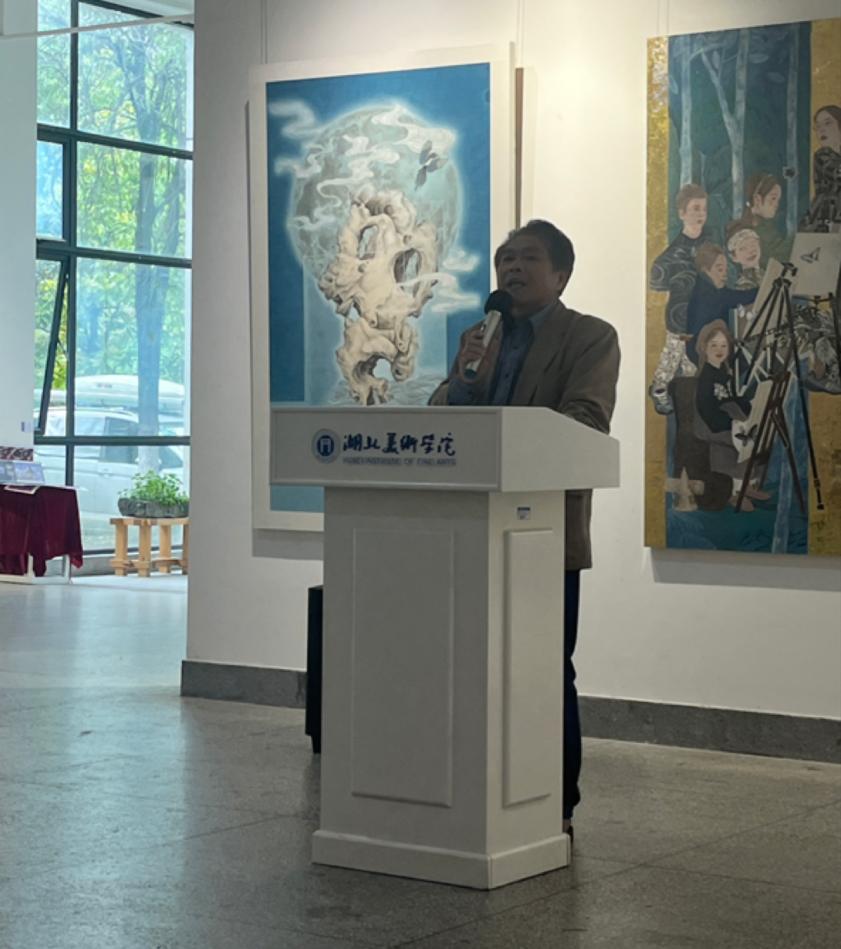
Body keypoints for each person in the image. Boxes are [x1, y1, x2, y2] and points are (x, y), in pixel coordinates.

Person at [429, 219, 620, 841]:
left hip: (542, 534)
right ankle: (477, 793)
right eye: (504, 259)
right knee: (468, 666)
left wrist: (507, 439)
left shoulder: (589, 337)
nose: (510, 268)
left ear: (560, 275)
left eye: (527, 259)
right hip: (468, 529)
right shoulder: (479, 336)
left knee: (542, 669)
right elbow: (439, 416)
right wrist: (466, 379)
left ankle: (554, 801)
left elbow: (585, 421)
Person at [693, 320, 769, 512]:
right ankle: (735, 493)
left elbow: (731, 396)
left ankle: (748, 485)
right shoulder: (706, 376)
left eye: (724, 345)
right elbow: (706, 407)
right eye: (714, 345)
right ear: (704, 348)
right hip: (710, 423)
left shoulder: (722, 372)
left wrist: (748, 407)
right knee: (743, 440)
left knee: (754, 434)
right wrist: (730, 423)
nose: (719, 350)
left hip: (724, 419)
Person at [648, 183, 709, 413]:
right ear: (682, 213)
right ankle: (659, 389)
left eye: (704, 209)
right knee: (673, 356)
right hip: (680, 316)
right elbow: (658, 281)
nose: (701, 214)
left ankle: (686, 398)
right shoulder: (671, 255)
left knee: (691, 365)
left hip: (704, 315)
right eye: (695, 208)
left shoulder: (710, 245)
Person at [685, 243, 757, 365]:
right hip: (704, 353)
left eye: (725, 269)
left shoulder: (708, 288)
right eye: (719, 269)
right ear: (705, 270)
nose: (725, 273)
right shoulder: (707, 294)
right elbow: (738, 297)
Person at [801, 105, 841, 231]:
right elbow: (836, 173)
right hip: (825, 215)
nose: (821, 130)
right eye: (817, 127)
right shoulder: (822, 155)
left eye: (827, 123)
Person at [739, 172, 791, 268]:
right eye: (773, 198)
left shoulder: (766, 225)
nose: (776, 204)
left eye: (778, 200)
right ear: (757, 199)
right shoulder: (755, 230)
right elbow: (780, 255)